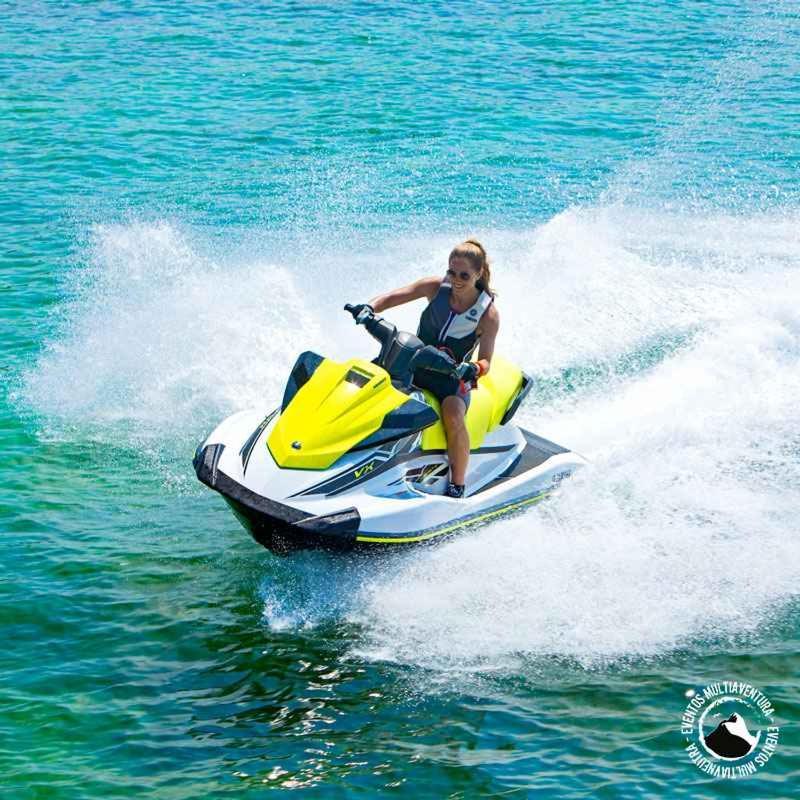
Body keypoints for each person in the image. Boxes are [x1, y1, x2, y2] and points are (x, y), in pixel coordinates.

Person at [352, 239, 499, 498]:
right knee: (369, 383)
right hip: (416, 365)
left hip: (451, 378)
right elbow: (392, 296)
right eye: (451, 272)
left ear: (478, 274)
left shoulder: (488, 314)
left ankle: (457, 484)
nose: (456, 279)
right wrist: (369, 308)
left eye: (464, 275)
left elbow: (486, 360)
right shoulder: (434, 287)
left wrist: (473, 368)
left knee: (453, 414)